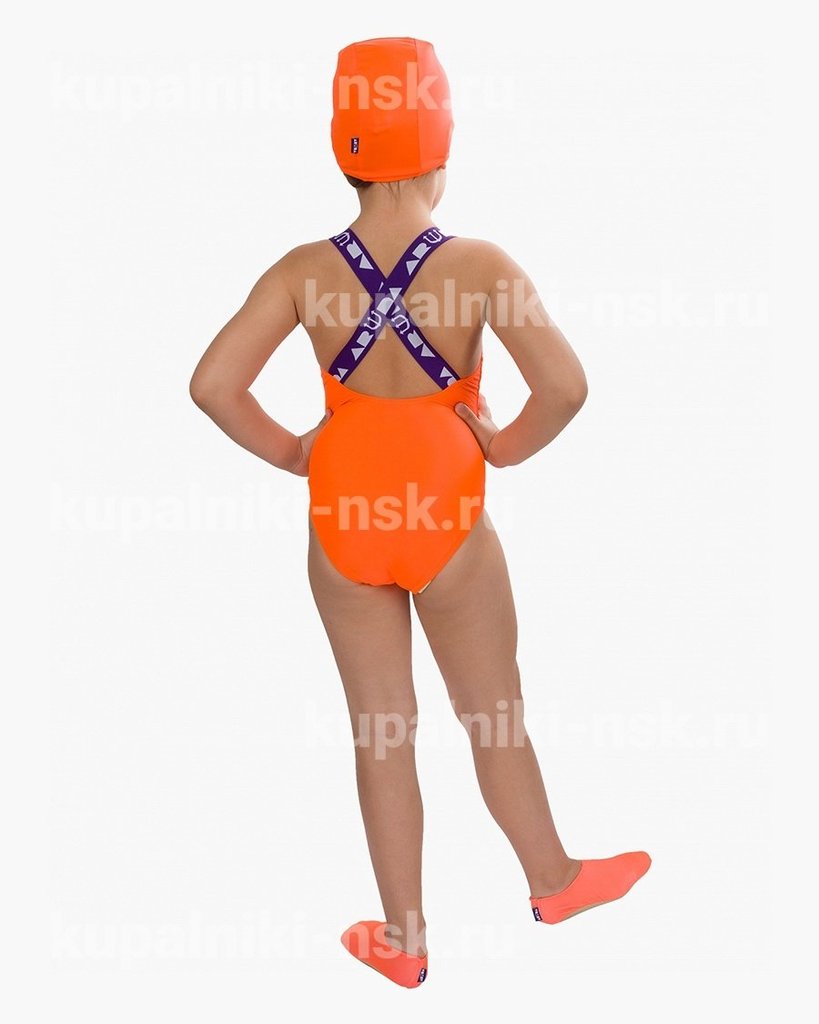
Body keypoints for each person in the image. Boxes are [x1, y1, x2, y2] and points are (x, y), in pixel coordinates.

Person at [189, 36, 650, 989]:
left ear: (344, 153)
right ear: (438, 149)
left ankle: (403, 941)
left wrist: (294, 452)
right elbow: (565, 387)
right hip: (447, 521)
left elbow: (212, 385)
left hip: (342, 521)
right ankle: (554, 881)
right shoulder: (478, 265)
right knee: (493, 716)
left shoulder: (301, 270)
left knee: (382, 732)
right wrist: (501, 446)